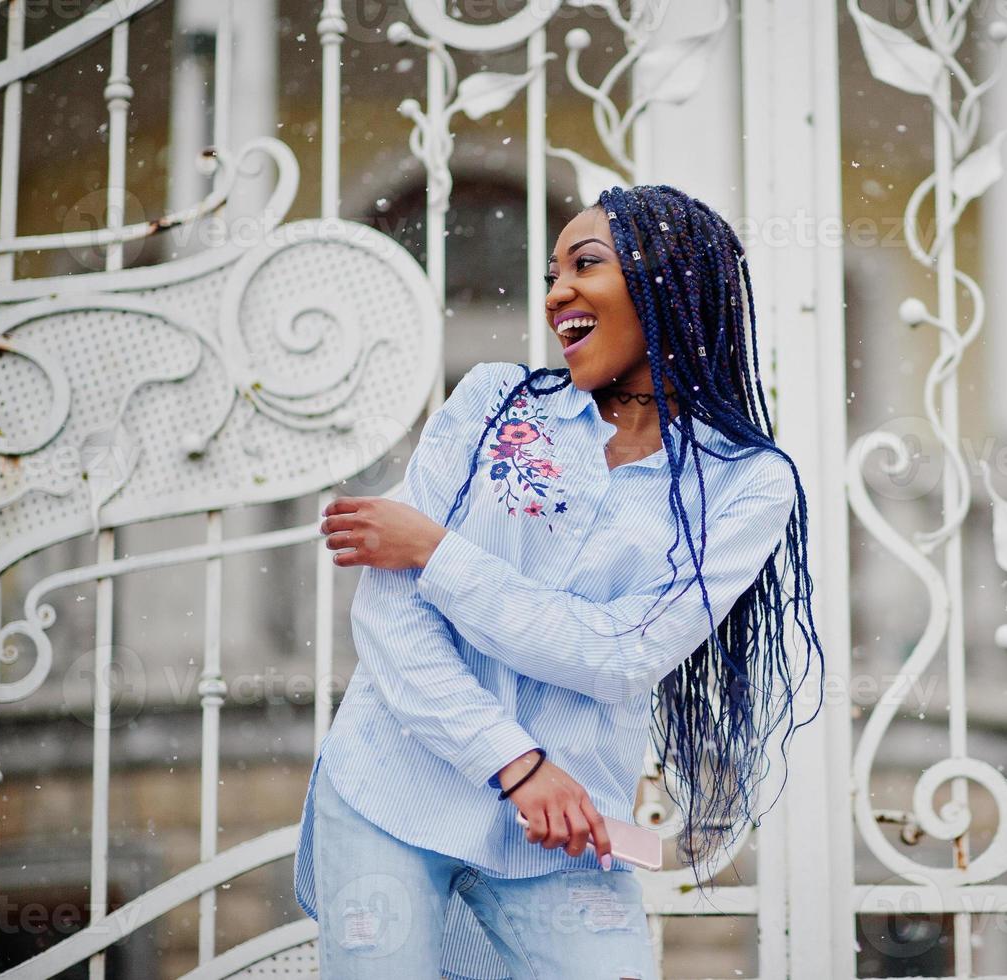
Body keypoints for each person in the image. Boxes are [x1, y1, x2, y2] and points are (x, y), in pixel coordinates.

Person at [291, 184, 825, 978]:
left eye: (585, 265)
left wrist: (440, 554)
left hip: (564, 830)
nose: (556, 293)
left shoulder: (746, 484)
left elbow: (622, 657)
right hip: (394, 783)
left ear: (669, 282)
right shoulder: (492, 403)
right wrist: (513, 761)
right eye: (550, 274)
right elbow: (391, 615)